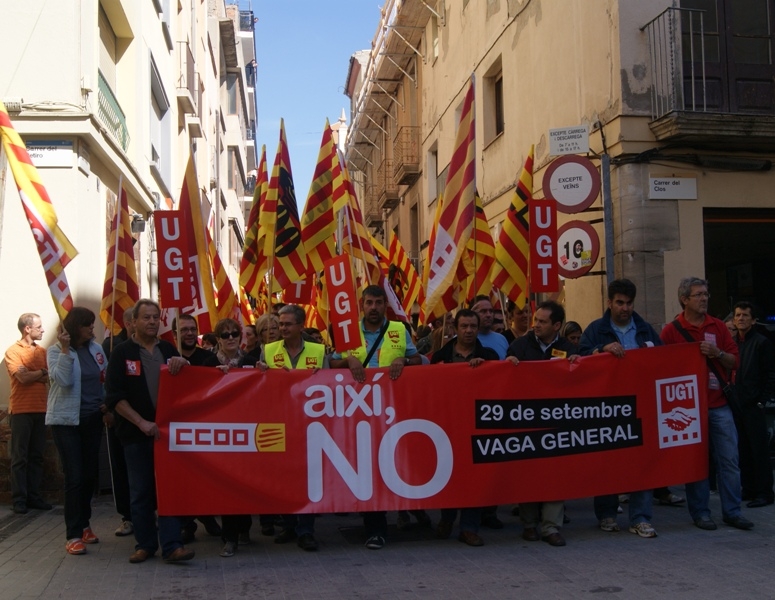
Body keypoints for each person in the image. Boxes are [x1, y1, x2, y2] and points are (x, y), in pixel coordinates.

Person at [330, 284, 422, 549]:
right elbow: (331, 365)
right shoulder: (348, 332)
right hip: (356, 413)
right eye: (369, 303)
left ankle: (394, 519)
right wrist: (348, 361)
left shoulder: (399, 330)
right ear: (362, 304)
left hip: (391, 412)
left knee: (389, 465)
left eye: (378, 303)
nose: (373, 308)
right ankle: (374, 526)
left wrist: (403, 361)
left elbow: (418, 361)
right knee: (367, 468)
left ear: (385, 305)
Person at [104, 299, 195, 563]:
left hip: (166, 435)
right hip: (135, 435)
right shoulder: (121, 353)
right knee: (141, 491)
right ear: (133, 322)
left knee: (167, 490)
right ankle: (145, 544)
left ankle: (172, 545)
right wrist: (141, 422)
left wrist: (183, 365)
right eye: (147, 317)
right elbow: (115, 398)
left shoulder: (167, 348)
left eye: (156, 317)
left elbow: (186, 386)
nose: (153, 322)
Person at [660, 277, 753, 531]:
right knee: (696, 462)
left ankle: (732, 512)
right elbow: (662, 368)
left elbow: (735, 361)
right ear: (684, 300)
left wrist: (717, 354)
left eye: (706, 294)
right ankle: (701, 513)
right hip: (688, 409)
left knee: (729, 461)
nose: (704, 299)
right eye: (698, 295)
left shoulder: (719, 327)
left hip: (719, 405)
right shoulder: (671, 331)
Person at [578, 278, 661, 538]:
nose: (625, 308)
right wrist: (600, 350)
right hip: (607, 408)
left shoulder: (645, 330)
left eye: (629, 303)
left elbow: (662, 359)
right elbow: (579, 359)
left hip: (640, 407)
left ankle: (640, 517)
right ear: (609, 303)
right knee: (607, 460)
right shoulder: (595, 329)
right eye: (620, 303)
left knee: (641, 463)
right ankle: (607, 513)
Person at [505, 300, 579, 547]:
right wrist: (509, 365)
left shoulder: (568, 348)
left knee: (555, 475)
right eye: (535, 320)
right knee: (529, 474)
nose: (535, 324)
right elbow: (503, 375)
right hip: (527, 421)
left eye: (542, 321)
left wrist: (580, 363)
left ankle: (551, 527)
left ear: (557, 325)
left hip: (558, 423)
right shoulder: (519, 346)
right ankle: (529, 524)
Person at [258, 305, 328, 552]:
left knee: (308, 478)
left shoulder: (319, 351)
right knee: (284, 477)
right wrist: (261, 374)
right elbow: (260, 387)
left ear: (300, 325)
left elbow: (329, 387)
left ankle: (306, 530)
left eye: (287, 324)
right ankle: (288, 525)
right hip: (280, 422)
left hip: (310, 424)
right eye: (280, 324)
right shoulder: (268, 350)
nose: (282, 328)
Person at [431, 309, 498, 546]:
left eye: (472, 326)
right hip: (447, 425)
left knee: (473, 479)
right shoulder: (441, 354)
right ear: (455, 329)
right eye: (464, 326)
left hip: (477, 426)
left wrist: (485, 368)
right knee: (449, 474)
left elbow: (498, 382)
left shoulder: (488, 355)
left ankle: (469, 527)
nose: (468, 331)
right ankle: (446, 519)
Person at [46, 307, 108, 555]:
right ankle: (72, 534)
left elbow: (103, 378)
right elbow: (64, 381)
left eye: (92, 324)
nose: (92, 329)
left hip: (93, 418)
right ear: (75, 327)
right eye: (87, 325)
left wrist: (106, 401)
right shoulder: (54, 352)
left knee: (90, 475)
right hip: (66, 421)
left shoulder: (97, 349)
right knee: (75, 476)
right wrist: (64, 351)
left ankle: (84, 524)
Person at [171, 315, 222, 543]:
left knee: (206, 478)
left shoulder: (209, 358)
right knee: (181, 480)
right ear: (175, 335)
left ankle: (207, 515)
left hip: (205, 426)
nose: (190, 333)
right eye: (184, 330)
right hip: (177, 429)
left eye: (193, 329)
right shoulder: (167, 357)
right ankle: (185, 524)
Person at [210, 318, 257, 556]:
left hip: (247, 430)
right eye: (225, 334)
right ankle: (230, 537)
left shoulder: (250, 362)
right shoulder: (208, 363)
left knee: (245, 481)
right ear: (218, 339)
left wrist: (263, 374)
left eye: (234, 334)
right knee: (226, 485)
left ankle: (244, 527)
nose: (230, 338)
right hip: (219, 432)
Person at [4, 313, 52, 515]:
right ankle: (19, 500)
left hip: (41, 409)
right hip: (21, 410)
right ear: (27, 329)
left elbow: (49, 376)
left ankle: (34, 496)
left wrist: (37, 373)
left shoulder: (42, 351)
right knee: (19, 458)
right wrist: (40, 372)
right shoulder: (12, 352)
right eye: (39, 327)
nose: (42, 330)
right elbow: (22, 378)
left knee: (36, 456)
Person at [731, 301, 775, 508]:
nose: (741, 319)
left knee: (759, 451)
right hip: (737, 404)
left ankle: (765, 493)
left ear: (754, 320)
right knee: (743, 449)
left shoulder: (762, 343)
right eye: (738, 315)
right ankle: (748, 489)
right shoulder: (732, 343)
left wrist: (761, 401)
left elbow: (771, 374)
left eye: (745, 315)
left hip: (753, 405)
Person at [101, 306, 135, 537]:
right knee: (121, 469)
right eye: (141, 319)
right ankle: (127, 517)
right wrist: (108, 409)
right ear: (128, 322)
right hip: (119, 419)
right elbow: (105, 381)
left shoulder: (159, 346)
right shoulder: (111, 346)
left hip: (147, 422)